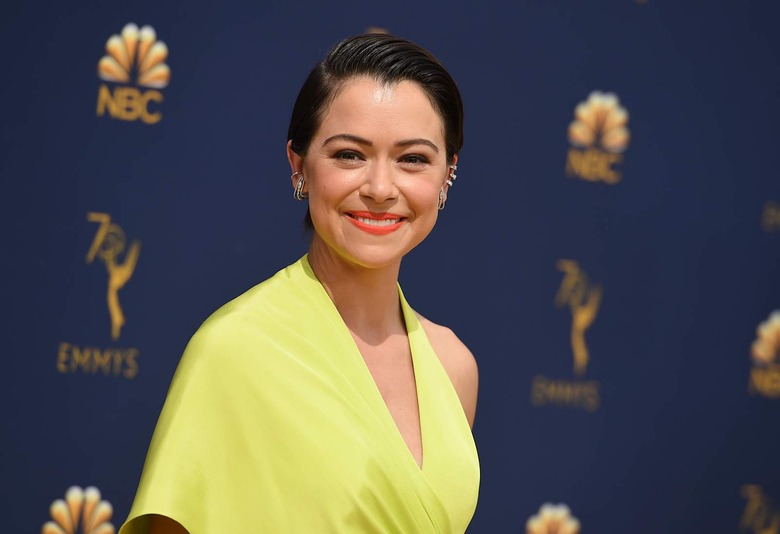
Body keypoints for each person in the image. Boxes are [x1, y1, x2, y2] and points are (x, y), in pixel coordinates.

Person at [119, 32, 479, 534]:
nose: (380, 188)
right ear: (299, 165)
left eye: (413, 159)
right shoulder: (235, 349)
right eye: (349, 154)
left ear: (447, 175)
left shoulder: (453, 366)